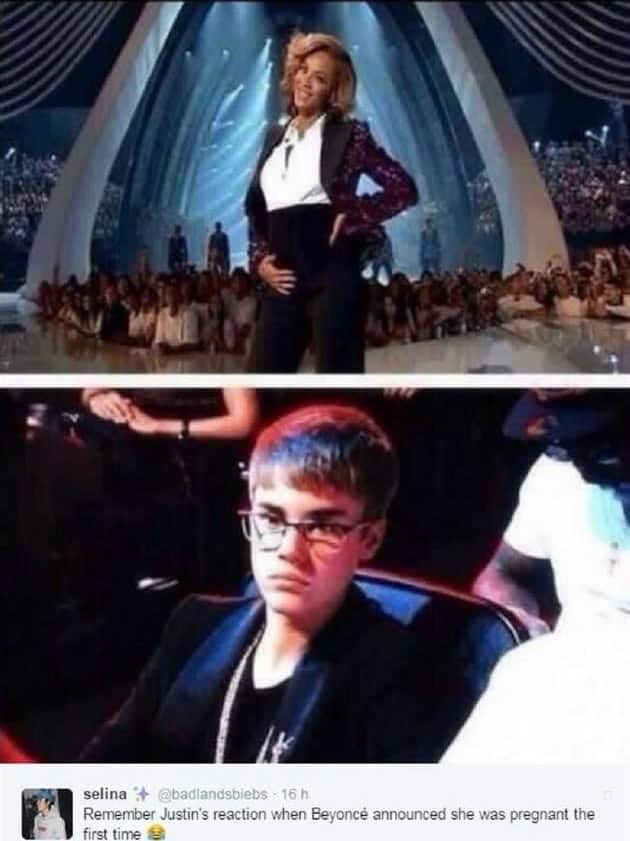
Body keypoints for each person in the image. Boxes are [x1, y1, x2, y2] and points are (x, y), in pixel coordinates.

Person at [79, 404, 450, 762]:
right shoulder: (195, 625)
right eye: (271, 520)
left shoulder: (399, 676)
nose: (289, 550)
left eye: (323, 526)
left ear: (370, 539)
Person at [444, 389, 630, 762]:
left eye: (592, 441)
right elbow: (499, 572)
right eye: (564, 443)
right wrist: (520, 619)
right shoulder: (557, 470)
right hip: (563, 684)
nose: (575, 458)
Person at [245, 31, 418, 373]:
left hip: (333, 273)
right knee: (261, 381)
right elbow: (257, 208)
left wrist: (355, 213)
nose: (306, 82)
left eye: (319, 78)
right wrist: (259, 259)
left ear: (333, 91)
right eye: (302, 70)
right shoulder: (274, 137)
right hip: (283, 277)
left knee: (337, 382)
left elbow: (403, 188)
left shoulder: (350, 135)